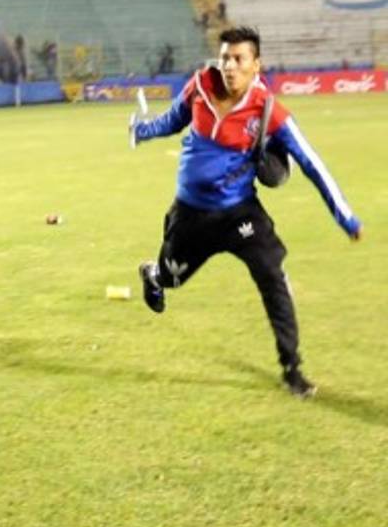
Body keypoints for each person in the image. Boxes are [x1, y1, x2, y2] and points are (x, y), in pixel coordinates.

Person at [130, 26, 362, 398]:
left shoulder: (268, 110)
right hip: (190, 216)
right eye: (225, 57)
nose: (229, 66)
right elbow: (173, 119)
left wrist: (344, 215)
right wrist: (144, 131)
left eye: (239, 59)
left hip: (240, 213)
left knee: (273, 276)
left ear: (256, 65)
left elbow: (310, 162)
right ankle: (154, 276)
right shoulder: (200, 87)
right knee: (173, 278)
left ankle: (292, 369)